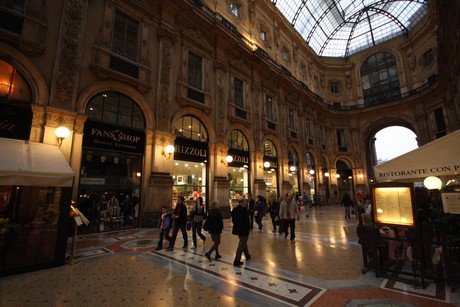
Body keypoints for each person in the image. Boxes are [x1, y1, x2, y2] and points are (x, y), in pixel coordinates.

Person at [231, 198, 251, 267]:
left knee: (243, 242)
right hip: (244, 229)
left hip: (238, 229)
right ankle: (237, 260)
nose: (246, 203)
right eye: (246, 201)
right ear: (243, 202)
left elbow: (233, 219)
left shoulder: (235, 209)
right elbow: (246, 220)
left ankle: (247, 255)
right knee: (241, 244)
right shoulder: (243, 210)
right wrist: (249, 227)